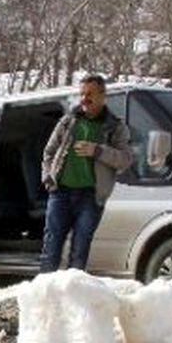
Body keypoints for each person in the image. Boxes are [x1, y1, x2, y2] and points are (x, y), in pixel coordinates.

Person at [39, 74, 132, 273]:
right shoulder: (68, 121)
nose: (84, 98)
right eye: (82, 93)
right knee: (51, 247)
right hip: (60, 193)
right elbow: (49, 152)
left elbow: (125, 159)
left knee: (80, 250)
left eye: (89, 93)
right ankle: (44, 294)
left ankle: (74, 294)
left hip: (90, 197)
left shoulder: (116, 126)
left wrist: (97, 151)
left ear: (102, 95)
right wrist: (48, 177)